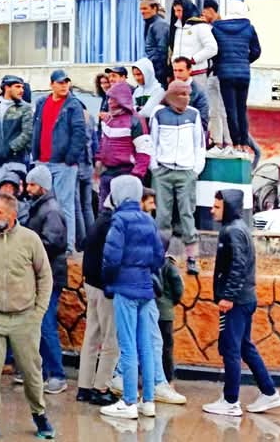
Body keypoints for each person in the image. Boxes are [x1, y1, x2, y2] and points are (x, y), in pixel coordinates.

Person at [0, 192, 55, 441]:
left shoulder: (30, 240)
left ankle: (40, 416)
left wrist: (38, 311)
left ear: (12, 215)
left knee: (31, 372)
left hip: (25, 317)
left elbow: (44, 276)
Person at [204, 189, 280, 417]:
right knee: (245, 347)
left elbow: (238, 265)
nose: (212, 210)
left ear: (228, 207)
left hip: (237, 302)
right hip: (244, 298)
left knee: (231, 349)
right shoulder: (237, 228)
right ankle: (269, 392)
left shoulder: (233, 231)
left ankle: (230, 401)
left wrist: (228, 296)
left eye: (217, 206)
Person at [100, 175, 165, 422]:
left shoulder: (119, 221)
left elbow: (111, 258)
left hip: (125, 290)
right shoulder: (148, 221)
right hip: (145, 290)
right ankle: (147, 401)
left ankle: (128, 401)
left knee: (127, 347)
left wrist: (110, 282)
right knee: (145, 346)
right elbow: (158, 257)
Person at [151, 80, 206, 275]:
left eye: (187, 94)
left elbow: (199, 144)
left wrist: (195, 170)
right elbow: (153, 142)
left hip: (186, 171)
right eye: (181, 94)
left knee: (186, 214)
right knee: (162, 216)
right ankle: (159, 256)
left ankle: (192, 258)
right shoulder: (159, 114)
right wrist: (155, 167)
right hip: (163, 171)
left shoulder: (194, 114)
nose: (185, 98)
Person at [24, 165, 69, 396]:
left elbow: (53, 242)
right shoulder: (42, 208)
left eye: (32, 185)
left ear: (41, 186)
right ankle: (41, 372)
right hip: (42, 274)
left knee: (45, 323)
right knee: (38, 323)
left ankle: (57, 374)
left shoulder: (50, 211)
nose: (28, 189)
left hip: (49, 275)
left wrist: (27, 246)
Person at [31, 69, 87, 252]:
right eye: (60, 82)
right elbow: (36, 128)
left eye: (66, 82)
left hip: (64, 163)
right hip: (43, 162)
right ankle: (44, 245)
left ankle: (68, 247)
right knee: (42, 204)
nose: (64, 86)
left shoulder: (73, 105)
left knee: (65, 205)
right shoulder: (42, 102)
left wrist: (70, 158)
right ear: (52, 84)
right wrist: (36, 155)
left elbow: (79, 132)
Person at [78, 196, 119, 406]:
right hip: (104, 287)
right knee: (111, 340)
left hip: (90, 283)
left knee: (91, 336)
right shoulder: (113, 223)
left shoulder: (99, 220)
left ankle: (84, 387)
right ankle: (101, 387)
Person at [210, 0, 262, 156]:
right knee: (241, 109)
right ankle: (244, 144)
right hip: (243, 74)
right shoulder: (249, 28)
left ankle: (235, 143)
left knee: (230, 110)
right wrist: (245, 61)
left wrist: (220, 64)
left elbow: (214, 52)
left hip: (225, 74)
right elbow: (256, 51)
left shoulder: (217, 28)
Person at [96, 81, 152, 206]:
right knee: (104, 215)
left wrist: (136, 176)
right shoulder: (108, 120)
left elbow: (144, 151)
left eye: (113, 98)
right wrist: (98, 165)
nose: (109, 101)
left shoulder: (136, 121)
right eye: (109, 98)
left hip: (127, 174)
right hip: (107, 174)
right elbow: (102, 144)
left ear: (122, 99)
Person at [0, 74, 33, 178]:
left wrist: (10, 149)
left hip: (16, 161)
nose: (21, 90)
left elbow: (28, 132)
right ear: (7, 87)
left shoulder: (25, 108)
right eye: (17, 86)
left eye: (22, 87)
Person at [201, 0, 233, 153]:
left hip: (222, 73)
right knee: (213, 109)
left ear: (210, 10)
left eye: (204, 11)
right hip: (212, 73)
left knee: (223, 109)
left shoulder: (221, 27)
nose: (203, 15)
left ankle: (228, 141)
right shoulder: (208, 28)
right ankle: (218, 142)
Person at [168, 0, 218, 93]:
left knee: (197, 101)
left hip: (196, 73)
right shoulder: (177, 28)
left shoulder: (201, 26)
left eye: (179, 10)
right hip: (179, 74)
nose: (177, 14)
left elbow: (212, 48)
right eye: (175, 11)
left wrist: (193, 60)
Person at [156, 230, 184, 386]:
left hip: (152, 311)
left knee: (152, 346)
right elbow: (178, 289)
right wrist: (172, 303)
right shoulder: (170, 266)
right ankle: (168, 378)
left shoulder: (151, 263)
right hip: (166, 313)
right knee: (166, 348)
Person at [171, 55, 211, 126]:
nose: (177, 74)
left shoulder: (199, 92)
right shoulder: (171, 88)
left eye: (180, 70)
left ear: (189, 70)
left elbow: (203, 120)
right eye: (175, 70)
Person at [139, 0, 170, 85]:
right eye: (141, 9)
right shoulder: (151, 24)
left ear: (154, 8)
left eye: (145, 8)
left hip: (158, 74)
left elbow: (162, 52)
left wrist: (157, 75)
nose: (142, 12)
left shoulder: (159, 25)